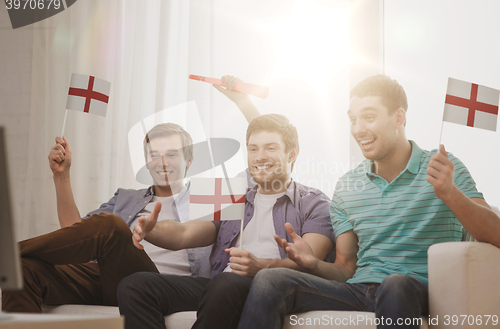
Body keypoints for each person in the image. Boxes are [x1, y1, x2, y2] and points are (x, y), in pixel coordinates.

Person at [236, 74, 500, 329]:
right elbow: (345, 269)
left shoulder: (444, 167)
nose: (358, 129)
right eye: (353, 119)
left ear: (398, 117)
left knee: (395, 284)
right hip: (358, 290)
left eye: (369, 117)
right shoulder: (348, 185)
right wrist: (314, 264)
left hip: (416, 289)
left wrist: (450, 194)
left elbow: (496, 234)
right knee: (270, 280)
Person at [117, 84, 336, 329]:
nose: (259, 156)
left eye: (270, 148)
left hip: (270, 288)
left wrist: (260, 267)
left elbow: (309, 262)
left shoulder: (315, 201)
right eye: (253, 149)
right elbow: (185, 233)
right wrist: (150, 229)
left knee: (225, 283)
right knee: (135, 284)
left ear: (292, 154)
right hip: (220, 285)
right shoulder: (233, 193)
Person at [1, 123, 212, 312]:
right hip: (107, 278)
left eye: (172, 154)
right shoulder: (126, 198)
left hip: (162, 286)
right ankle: (10, 259)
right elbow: (77, 235)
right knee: (22, 270)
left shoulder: (208, 198)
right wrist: (61, 175)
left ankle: (6, 255)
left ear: (190, 160)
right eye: (154, 155)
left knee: (112, 227)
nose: (162, 162)